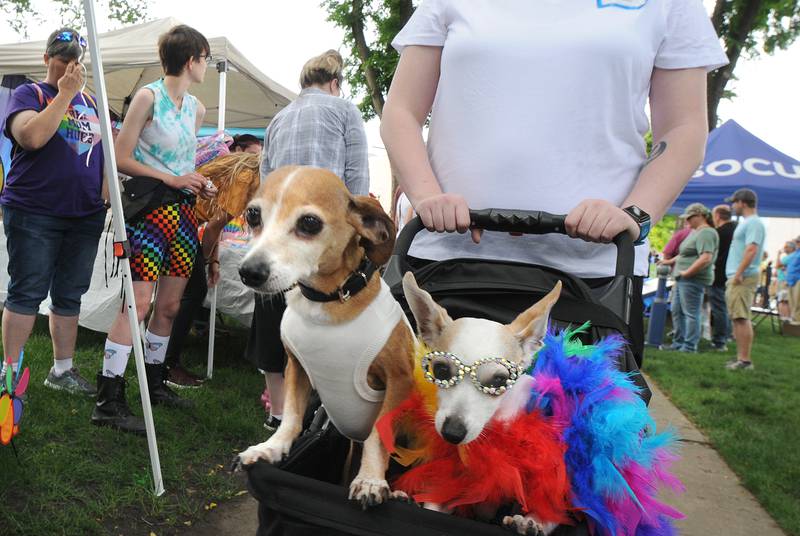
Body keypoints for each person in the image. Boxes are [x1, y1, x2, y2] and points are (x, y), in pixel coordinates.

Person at [380, 0, 728, 367]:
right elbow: (401, 109)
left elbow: (684, 128)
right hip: (446, 260)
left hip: (591, 275)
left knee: (575, 421)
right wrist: (426, 195)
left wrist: (635, 213)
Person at [91, 25, 215, 433]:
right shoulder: (149, 96)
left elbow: (182, 162)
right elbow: (121, 157)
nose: (206, 66)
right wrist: (172, 178)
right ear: (191, 58)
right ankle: (109, 397)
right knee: (138, 304)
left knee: (170, 306)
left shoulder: (195, 108)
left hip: (182, 215)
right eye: (205, 58)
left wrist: (197, 180)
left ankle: (155, 378)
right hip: (147, 212)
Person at [248, 49, 370, 430]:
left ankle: (278, 413)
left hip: (276, 233)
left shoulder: (280, 117)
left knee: (270, 317)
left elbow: (266, 180)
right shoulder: (345, 110)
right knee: (329, 321)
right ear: (335, 82)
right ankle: (325, 412)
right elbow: (356, 186)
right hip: (320, 241)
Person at [0, 28, 106, 396]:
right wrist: (64, 93)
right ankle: (9, 371)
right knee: (26, 291)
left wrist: (106, 197)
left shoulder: (92, 102)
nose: (67, 66)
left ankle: (62, 370)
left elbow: (102, 155)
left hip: (84, 214)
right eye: (61, 58)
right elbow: (31, 137)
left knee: (70, 294)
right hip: (35, 210)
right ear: (46, 59)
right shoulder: (30, 93)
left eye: (74, 60)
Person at [164, 152, 261, 388]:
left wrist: (214, 261)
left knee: (188, 294)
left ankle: (164, 361)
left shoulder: (245, 170)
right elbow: (214, 226)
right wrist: (206, 261)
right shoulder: (248, 177)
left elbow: (213, 221)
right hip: (177, 221)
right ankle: (167, 364)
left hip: (177, 219)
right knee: (193, 292)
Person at [659, 204, 719, 352]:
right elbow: (684, 253)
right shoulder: (695, 232)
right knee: (676, 310)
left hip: (692, 279)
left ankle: (690, 346)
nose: (688, 221)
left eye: (690, 217)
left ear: (700, 215)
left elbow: (706, 257)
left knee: (691, 313)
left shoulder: (707, 233)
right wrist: (668, 261)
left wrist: (688, 272)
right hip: (682, 278)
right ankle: (678, 343)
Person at [724, 188, 766, 370]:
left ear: (742, 202)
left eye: (734, 202)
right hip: (739, 274)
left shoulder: (754, 222)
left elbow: (752, 249)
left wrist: (739, 272)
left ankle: (745, 360)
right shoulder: (749, 222)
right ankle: (741, 358)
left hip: (742, 276)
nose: (732, 206)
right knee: (737, 317)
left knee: (741, 317)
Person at [710, 204, 736, 350]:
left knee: (719, 308)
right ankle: (727, 335)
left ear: (718, 216)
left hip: (718, 274)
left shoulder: (718, 232)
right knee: (725, 308)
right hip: (732, 274)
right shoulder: (736, 230)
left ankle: (720, 341)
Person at [776, 240, 797, 321]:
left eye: (786, 247)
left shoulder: (789, 257)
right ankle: (787, 319)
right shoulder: (794, 256)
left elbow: (777, 265)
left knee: (783, 300)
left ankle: (785, 319)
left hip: (784, 281)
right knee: (786, 300)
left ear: (791, 248)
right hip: (787, 280)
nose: (784, 248)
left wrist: (778, 254)